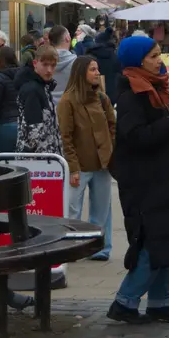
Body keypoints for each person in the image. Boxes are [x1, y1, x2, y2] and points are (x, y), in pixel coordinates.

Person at [108, 36, 169, 324]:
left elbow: (164, 129)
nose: (159, 61)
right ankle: (125, 302)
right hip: (146, 181)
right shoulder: (131, 94)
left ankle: (160, 302)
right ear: (137, 61)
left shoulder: (158, 88)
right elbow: (136, 137)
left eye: (159, 54)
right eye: (153, 56)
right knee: (153, 242)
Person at [59, 54, 117, 261]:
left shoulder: (102, 97)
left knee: (102, 209)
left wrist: (111, 150)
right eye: (92, 69)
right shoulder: (68, 101)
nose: (97, 73)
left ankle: (99, 247)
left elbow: (112, 126)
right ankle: (70, 248)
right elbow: (65, 136)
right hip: (80, 166)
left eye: (97, 69)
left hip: (102, 163)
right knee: (72, 209)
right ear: (81, 72)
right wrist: (73, 167)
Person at [15, 45, 61, 155]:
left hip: (44, 157)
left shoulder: (42, 86)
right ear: (35, 63)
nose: (49, 70)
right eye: (45, 65)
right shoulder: (33, 90)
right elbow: (34, 132)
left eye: (53, 65)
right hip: (38, 160)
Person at [46, 25, 77, 92]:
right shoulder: (77, 63)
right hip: (70, 101)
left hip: (48, 101)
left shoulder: (42, 63)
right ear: (67, 38)